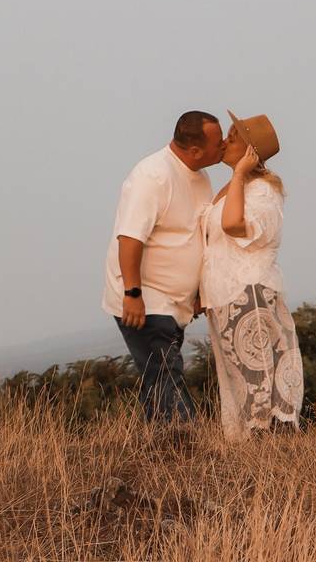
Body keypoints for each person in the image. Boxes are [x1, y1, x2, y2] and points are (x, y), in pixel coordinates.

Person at [101, 110, 225, 421]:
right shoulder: (153, 176)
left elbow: (192, 235)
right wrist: (132, 293)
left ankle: (161, 453)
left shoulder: (201, 176)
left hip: (174, 303)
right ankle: (183, 446)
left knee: (160, 377)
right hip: (146, 299)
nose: (223, 145)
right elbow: (130, 238)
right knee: (166, 376)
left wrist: (197, 290)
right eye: (218, 142)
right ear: (195, 151)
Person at [200, 111, 304, 440]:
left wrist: (242, 173)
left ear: (250, 151)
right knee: (239, 378)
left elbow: (233, 226)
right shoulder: (232, 186)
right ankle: (253, 453)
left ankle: (269, 452)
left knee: (258, 380)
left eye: (233, 137)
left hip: (249, 292)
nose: (225, 141)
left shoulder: (260, 190)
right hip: (225, 296)